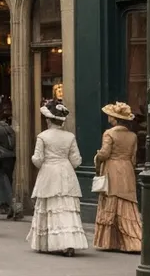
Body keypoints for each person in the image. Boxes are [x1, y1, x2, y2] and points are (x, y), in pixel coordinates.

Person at [27, 99, 89, 257]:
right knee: (67, 208)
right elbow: (76, 160)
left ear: (48, 120)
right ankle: (69, 244)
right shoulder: (70, 137)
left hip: (49, 172)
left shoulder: (43, 136)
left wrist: (39, 162)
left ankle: (50, 242)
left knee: (51, 207)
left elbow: (38, 159)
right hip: (66, 172)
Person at [94, 101, 142, 253]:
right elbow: (134, 158)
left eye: (110, 115)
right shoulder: (133, 136)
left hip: (113, 169)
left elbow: (104, 153)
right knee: (127, 202)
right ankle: (134, 242)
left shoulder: (109, 133)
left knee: (112, 200)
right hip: (127, 169)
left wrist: (97, 157)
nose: (108, 117)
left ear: (114, 119)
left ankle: (110, 242)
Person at [0, 107, 18, 220]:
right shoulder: (10, 128)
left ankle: (13, 206)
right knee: (7, 180)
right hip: (10, 157)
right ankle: (7, 207)